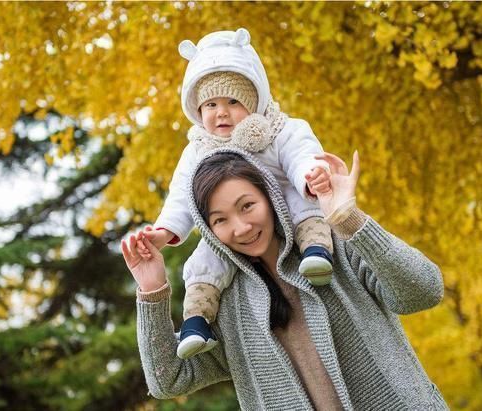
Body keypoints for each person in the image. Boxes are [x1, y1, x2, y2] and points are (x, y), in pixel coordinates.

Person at [122, 148, 449, 410]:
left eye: (247, 206)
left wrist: (349, 219)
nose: (241, 227)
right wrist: (152, 291)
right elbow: (169, 380)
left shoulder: (335, 247)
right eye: (220, 220)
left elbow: (424, 290)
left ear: (271, 197)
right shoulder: (226, 303)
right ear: (209, 231)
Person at [142, 27, 336, 359]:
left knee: (300, 199)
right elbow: (180, 194)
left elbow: (302, 154)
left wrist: (311, 176)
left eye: (233, 101)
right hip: (234, 227)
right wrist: (164, 231)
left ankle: (316, 250)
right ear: (198, 111)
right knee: (206, 255)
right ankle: (196, 321)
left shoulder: (279, 129)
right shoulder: (198, 150)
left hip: (287, 208)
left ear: (252, 102)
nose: (222, 112)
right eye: (211, 104)